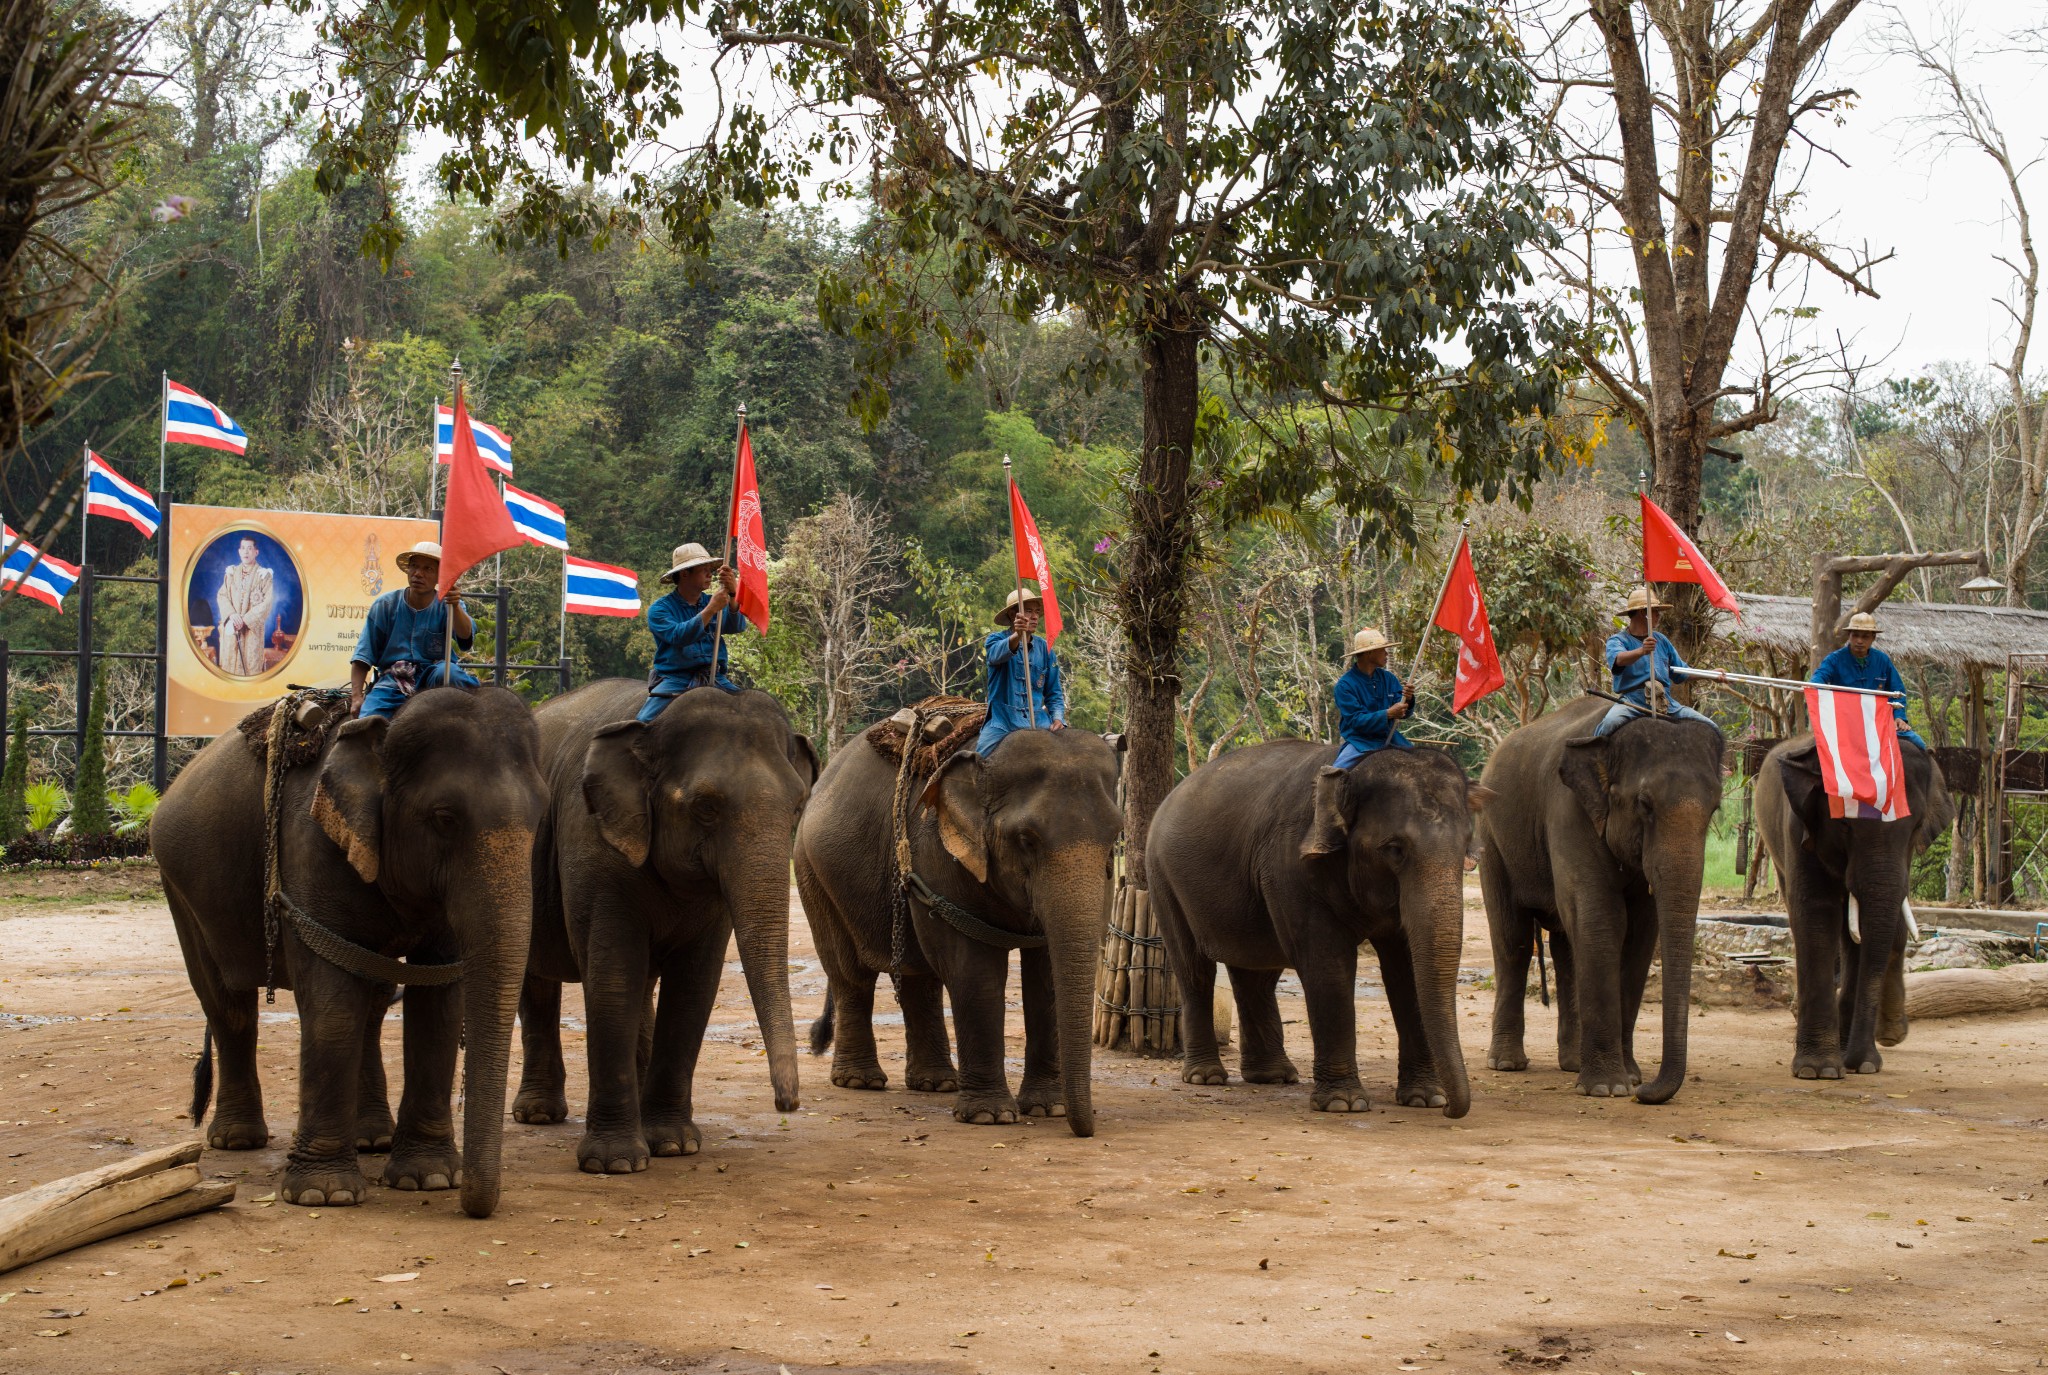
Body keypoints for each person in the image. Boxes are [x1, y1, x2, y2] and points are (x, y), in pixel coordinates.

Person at [349, 541, 478, 719]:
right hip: (392, 681)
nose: (418, 573)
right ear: (408, 570)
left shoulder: (449, 606)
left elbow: (465, 638)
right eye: (414, 567)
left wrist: (455, 607)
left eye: (428, 569)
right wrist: (356, 697)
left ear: (440, 577)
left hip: (435, 675)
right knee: (368, 723)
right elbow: (363, 656)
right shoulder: (385, 605)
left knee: (452, 673)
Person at [639, 542, 747, 722]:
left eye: (710, 569)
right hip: (676, 679)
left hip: (715, 677)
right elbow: (679, 636)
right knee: (643, 722)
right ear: (684, 573)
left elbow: (736, 626)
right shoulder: (659, 609)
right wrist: (710, 610)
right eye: (703, 569)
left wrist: (734, 594)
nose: (710, 574)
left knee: (753, 711)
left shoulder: (712, 601)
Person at [1596, 585, 1716, 737]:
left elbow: (1681, 672)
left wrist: (1712, 675)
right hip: (1633, 702)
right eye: (1655, 611)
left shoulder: (1661, 640)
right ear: (1643, 613)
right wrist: (1642, 651)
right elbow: (1619, 659)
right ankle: (1595, 756)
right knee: (1609, 723)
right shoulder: (1618, 640)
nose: (1659, 615)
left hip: (1666, 703)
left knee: (1710, 727)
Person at [1811, 610, 1927, 750]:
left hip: (1878, 721)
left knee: (1918, 743)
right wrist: (1820, 690)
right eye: (1855, 636)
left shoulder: (1882, 661)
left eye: (1865, 637)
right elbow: (1817, 681)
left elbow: (1898, 692)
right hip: (1845, 721)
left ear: (1873, 638)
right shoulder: (1834, 660)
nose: (1859, 641)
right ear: (1849, 636)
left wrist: (1899, 717)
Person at [975, 588, 1066, 754]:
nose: (1035, 616)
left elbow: (1054, 693)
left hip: (1039, 722)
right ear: (1012, 615)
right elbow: (995, 656)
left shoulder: (1046, 650)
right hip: (1003, 722)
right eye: (1029, 611)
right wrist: (1017, 635)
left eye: (1037, 612)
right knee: (980, 759)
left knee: (1071, 757)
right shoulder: (995, 640)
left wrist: (1058, 718)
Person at [1333, 627, 1414, 767]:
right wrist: (1387, 714)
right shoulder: (1344, 686)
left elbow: (1402, 711)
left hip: (1390, 737)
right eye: (1382, 649)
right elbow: (1355, 720)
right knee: (1337, 773)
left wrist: (1408, 699)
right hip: (1360, 742)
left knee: (1422, 764)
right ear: (1369, 653)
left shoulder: (1389, 678)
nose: (1386, 653)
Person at [215, 535, 274, 676]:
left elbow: (267, 602)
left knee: (251, 668)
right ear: (239, 551)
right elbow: (222, 595)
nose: (246, 552)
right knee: (230, 669)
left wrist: (245, 620)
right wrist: (232, 615)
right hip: (233, 627)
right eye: (243, 548)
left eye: (249, 548)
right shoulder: (231, 573)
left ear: (256, 552)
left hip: (252, 632)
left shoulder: (264, 576)